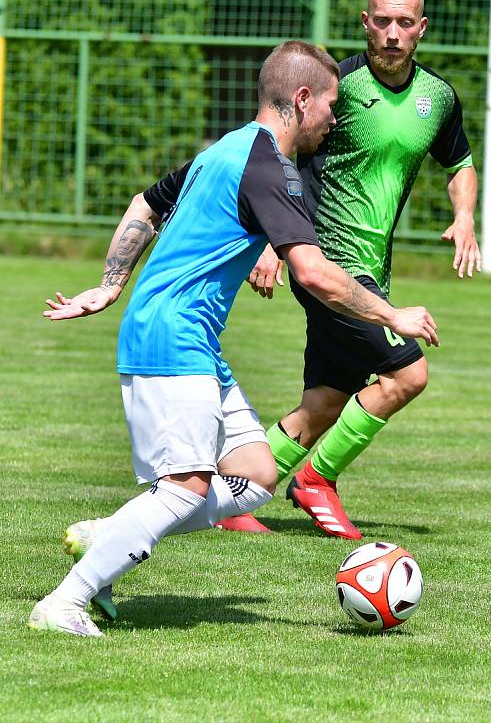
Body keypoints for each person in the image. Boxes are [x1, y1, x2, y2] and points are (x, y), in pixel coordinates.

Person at [28, 40, 439, 637]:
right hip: (170, 338)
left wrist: (110, 284)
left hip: (192, 339)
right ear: (301, 99)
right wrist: (392, 315)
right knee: (186, 488)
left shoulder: (226, 149)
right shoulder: (266, 165)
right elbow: (314, 272)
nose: (334, 118)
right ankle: (64, 601)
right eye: (330, 105)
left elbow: (146, 203)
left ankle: (111, 533)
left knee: (256, 476)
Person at [218, 0, 481, 539]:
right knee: (408, 374)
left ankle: (227, 498)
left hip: (373, 268)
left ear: (421, 28)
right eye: (381, 21)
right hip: (331, 264)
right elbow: (280, 158)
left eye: (403, 23)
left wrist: (464, 216)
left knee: (326, 402)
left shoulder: (439, 98)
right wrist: (272, 240)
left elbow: (460, 164)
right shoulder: (335, 87)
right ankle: (317, 480)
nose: (391, 34)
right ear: (365, 22)